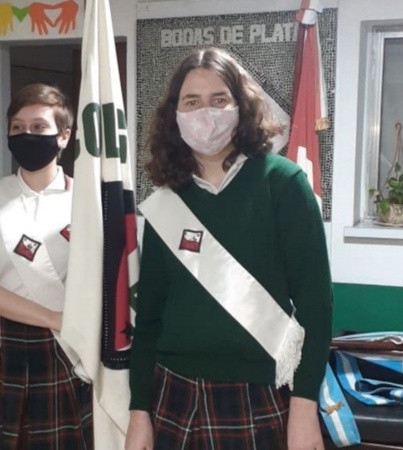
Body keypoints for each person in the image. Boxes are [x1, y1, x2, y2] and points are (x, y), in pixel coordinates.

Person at [125, 47, 333, 450]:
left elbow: (316, 309)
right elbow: (148, 317)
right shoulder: (168, 199)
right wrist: (139, 412)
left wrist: (305, 408)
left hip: (259, 395)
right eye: (192, 102)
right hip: (173, 394)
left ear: (242, 106)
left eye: (219, 99)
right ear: (174, 115)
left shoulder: (283, 184)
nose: (206, 112)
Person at [0, 83, 93, 449]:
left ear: (64, 136)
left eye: (39, 127)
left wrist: (69, 324)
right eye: (17, 127)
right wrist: (55, 318)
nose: (27, 135)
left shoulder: (88, 199)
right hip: (5, 343)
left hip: (69, 348)